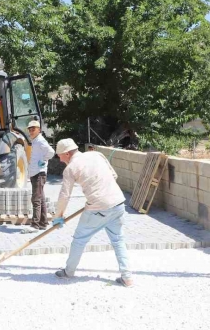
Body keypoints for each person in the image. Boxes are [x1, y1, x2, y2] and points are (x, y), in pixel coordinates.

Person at [52, 138, 133, 287]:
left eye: (60, 155)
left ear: (67, 153)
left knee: (79, 239)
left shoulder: (70, 169)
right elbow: (114, 176)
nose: (59, 159)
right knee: (118, 240)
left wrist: (58, 216)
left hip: (98, 209)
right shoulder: (96, 155)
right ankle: (127, 278)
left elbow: (65, 195)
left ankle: (68, 272)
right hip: (118, 203)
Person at [27, 119, 55, 230]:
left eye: (33, 129)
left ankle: (35, 224)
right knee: (41, 198)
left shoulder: (40, 140)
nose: (31, 131)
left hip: (39, 173)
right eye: (30, 129)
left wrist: (44, 160)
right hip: (35, 173)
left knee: (36, 199)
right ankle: (43, 223)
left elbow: (51, 152)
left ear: (39, 129)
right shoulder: (35, 140)